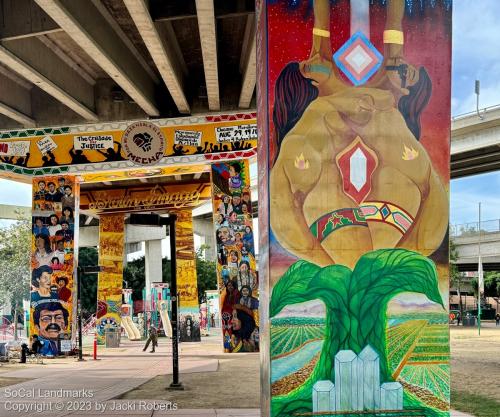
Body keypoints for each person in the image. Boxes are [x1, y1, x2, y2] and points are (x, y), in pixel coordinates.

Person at [269, 0, 446, 271]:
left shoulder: (388, 118)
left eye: (412, 78)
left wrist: (397, 263)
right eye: (411, 74)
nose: (313, 59)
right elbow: (283, 215)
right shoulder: (314, 125)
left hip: (367, 260)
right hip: (355, 258)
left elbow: (433, 204)